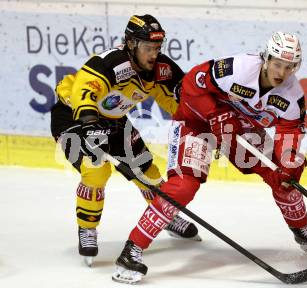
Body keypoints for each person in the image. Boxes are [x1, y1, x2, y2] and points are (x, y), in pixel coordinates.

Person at [112, 31, 307, 284]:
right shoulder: (238, 68)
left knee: (284, 176)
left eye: (289, 67)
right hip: (196, 123)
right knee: (183, 186)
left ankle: (301, 231)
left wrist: (288, 162)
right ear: (265, 58)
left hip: (238, 130)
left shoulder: (292, 94)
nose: (281, 73)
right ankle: (132, 250)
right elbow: (190, 85)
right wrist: (213, 113)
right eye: (277, 64)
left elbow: (290, 130)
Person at [50, 14, 201, 267]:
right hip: (75, 118)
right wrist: (88, 123)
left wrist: (198, 120)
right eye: (147, 48)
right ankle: (87, 228)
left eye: (156, 48)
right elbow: (85, 89)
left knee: (145, 169)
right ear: (131, 44)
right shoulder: (112, 62)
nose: (153, 54)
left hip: (113, 119)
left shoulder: (160, 68)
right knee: (96, 169)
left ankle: (164, 215)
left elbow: (179, 100)